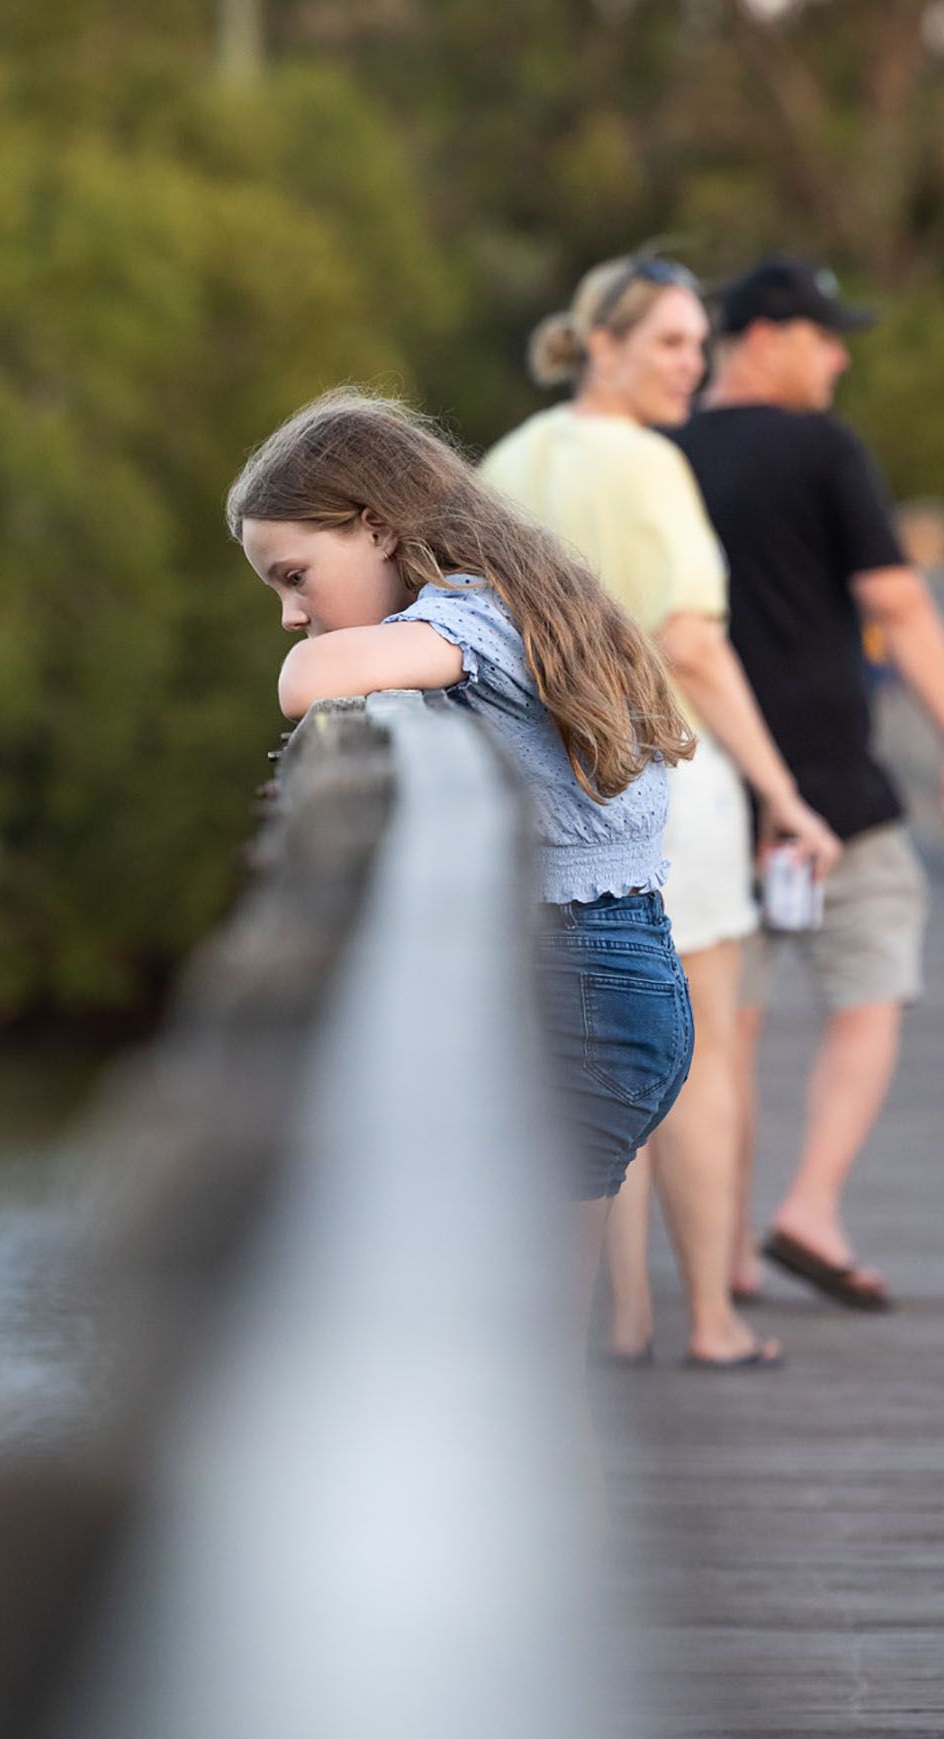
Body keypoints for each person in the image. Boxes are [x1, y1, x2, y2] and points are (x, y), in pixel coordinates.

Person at [227, 388, 696, 1236]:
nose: (292, 615)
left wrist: (314, 655)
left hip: (581, 983)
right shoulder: (506, 599)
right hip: (608, 973)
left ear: (377, 528)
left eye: (295, 579)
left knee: (530, 1303)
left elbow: (307, 683)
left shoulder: (470, 615)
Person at [483, 255, 839, 1371]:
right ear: (606, 347)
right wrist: (784, 792)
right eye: (673, 344)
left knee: (595, 1047)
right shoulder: (647, 464)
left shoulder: (509, 459)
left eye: (699, 343)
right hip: (661, 780)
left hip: (543, 789)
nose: (695, 363)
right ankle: (713, 1322)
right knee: (700, 1052)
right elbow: (692, 641)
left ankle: (621, 1316)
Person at [667, 255, 944, 1312]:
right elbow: (897, 604)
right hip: (835, 791)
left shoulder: (660, 454)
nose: (842, 354)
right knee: (870, 990)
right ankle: (809, 1205)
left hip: (706, 791)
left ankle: (721, 1250)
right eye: (825, 335)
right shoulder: (822, 448)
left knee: (729, 1028)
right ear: (764, 337)